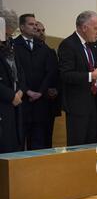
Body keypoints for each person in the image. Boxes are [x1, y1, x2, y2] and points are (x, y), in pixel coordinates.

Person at [58, 11, 97, 146]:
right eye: (96, 28)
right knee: (77, 147)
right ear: (84, 28)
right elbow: (65, 74)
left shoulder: (89, 46)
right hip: (76, 106)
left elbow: (94, 70)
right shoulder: (68, 44)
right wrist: (92, 76)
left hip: (92, 103)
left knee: (90, 146)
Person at [14, 13, 57, 150]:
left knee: (38, 143)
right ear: (21, 27)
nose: (35, 27)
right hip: (21, 101)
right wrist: (27, 91)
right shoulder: (13, 45)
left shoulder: (43, 47)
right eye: (31, 24)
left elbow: (49, 72)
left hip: (40, 102)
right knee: (20, 143)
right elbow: (15, 73)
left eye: (35, 24)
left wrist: (40, 92)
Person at [0, 9, 25, 153]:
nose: (8, 37)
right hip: (4, 102)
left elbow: (20, 71)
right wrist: (11, 95)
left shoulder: (10, 45)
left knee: (14, 147)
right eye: (7, 33)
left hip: (14, 104)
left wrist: (21, 90)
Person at [34, 20, 60, 148]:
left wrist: (56, 89)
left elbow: (56, 74)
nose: (41, 33)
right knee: (36, 140)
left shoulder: (50, 51)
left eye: (43, 30)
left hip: (49, 103)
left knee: (48, 138)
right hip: (34, 101)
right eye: (38, 30)